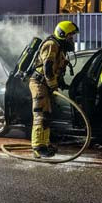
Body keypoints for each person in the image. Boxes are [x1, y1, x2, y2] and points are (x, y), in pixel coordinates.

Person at [29, 21, 79, 158]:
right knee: (40, 115)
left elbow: (57, 69)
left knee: (47, 115)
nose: (71, 40)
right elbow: (48, 68)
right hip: (39, 83)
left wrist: (60, 84)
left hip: (45, 84)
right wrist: (53, 85)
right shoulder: (51, 45)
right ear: (62, 34)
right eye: (70, 36)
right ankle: (38, 147)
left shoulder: (59, 47)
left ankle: (44, 143)